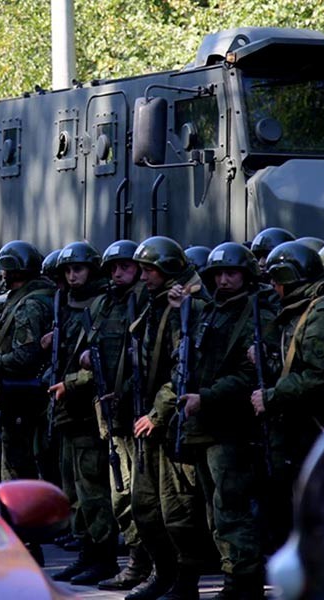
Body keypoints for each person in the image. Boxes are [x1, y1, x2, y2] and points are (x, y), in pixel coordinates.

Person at [176, 243, 269, 599]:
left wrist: (207, 397)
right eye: (219, 274)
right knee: (215, 509)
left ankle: (242, 582)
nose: (225, 280)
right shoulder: (210, 310)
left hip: (231, 425)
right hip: (203, 424)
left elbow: (249, 374)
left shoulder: (256, 311)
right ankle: (233, 576)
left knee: (231, 509)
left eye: (232, 273)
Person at [249, 241, 324, 550]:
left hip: (317, 426)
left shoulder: (322, 312)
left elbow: (317, 376)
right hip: (301, 427)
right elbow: (294, 361)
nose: (274, 288)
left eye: (276, 281)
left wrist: (271, 396)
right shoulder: (301, 309)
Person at [127, 236, 210, 600]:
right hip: (149, 420)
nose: (143, 277)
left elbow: (183, 368)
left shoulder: (193, 305)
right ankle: (163, 574)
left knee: (177, 510)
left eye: (149, 270)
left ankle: (185, 581)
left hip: (173, 423)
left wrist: (157, 414)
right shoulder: (157, 303)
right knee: (144, 507)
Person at [47, 241, 119, 586]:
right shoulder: (68, 303)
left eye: (79, 269)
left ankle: (103, 558)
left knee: (93, 490)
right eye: (68, 270)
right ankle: (87, 553)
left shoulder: (103, 304)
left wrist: (71, 383)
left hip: (90, 410)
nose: (73, 276)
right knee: (74, 490)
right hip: (68, 410)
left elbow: (106, 360)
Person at [89, 240, 154, 592]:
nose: (117, 273)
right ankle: (137, 560)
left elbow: (144, 356)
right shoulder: (105, 302)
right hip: (110, 410)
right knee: (120, 492)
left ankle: (144, 563)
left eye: (125, 267)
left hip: (135, 409)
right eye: (113, 268)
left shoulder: (142, 300)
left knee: (135, 493)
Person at [0, 241, 54, 483]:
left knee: (16, 468)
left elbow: (23, 358)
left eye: (6, 271)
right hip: (26, 396)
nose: (3, 275)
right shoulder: (30, 297)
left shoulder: (29, 304)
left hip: (22, 397)